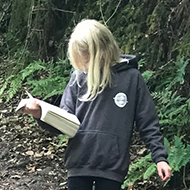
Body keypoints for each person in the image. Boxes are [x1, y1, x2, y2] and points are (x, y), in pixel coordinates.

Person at [24, 19, 171, 190]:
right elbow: (64, 123)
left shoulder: (131, 78)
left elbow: (148, 122)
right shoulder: (78, 77)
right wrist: (39, 113)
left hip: (112, 167)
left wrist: (160, 157)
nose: (84, 66)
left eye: (87, 59)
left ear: (102, 51)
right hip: (79, 163)